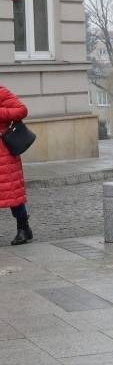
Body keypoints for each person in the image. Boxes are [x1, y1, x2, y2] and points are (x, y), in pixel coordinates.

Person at [0, 85, 31, 246]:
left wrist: (1, 113)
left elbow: (22, 110)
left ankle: (23, 228)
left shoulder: (2, 92)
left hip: (4, 153)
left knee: (13, 194)